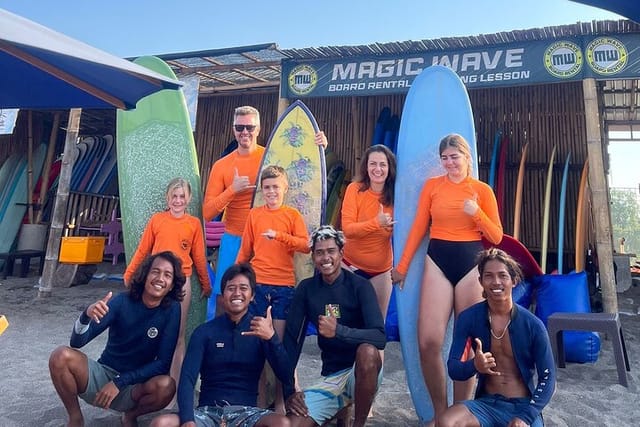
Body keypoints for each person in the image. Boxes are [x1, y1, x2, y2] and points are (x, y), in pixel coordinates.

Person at [391, 133, 503, 424]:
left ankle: (460, 414)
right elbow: (418, 227)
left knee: (468, 344)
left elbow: (496, 237)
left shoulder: (481, 190)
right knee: (428, 341)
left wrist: (476, 212)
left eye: (455, 156)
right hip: (437, 261)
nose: (450, 162)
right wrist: (402, 266)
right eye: (445, 158)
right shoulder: (432, 186)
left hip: (471, 265)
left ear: (467, 157)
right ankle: (441, 413)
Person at [203, 106, 327, 303]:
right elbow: (207, 214)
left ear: (258, 129)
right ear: (233, 129)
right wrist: (232, 190)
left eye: (250, 127)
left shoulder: (272, 158)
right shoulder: (222, 166)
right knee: (225, 296)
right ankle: (223, 334)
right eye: (240, 127)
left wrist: (318, 146)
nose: (245, 132)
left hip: (268, 241)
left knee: (265, 301)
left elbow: (302, 167)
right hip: (235, 239)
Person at [49, 251, 185, 427]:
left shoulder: (172, 310)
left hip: (135, 385)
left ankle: (130, 415)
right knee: (60, 356)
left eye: (167, 275)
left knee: (166, 385)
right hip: (104, 374)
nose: (160, 278)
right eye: (155, 271)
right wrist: (86, 315)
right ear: (145, 275)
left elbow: (163, 363)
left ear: (172, 285)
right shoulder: (122, 301)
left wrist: (120, 382)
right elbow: (77, 343)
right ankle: (75, 418)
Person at [150, 263, 292, 427]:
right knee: (161, 422)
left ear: (252, 295)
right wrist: (188, 420)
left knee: (282, 423)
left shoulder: (261, 331)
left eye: (243, 288)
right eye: (231, 288)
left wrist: (272, 338)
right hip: (208, 413)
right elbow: (187, 379)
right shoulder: (204, 332)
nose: (237, 293)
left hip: (247, 414)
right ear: (223, 295)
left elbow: (286, 375)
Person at [439, 248, 556, 427]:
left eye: (502, 276)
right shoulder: (469, 319)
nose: (496, 282)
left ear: (514, 281)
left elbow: (548, 378)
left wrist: (526, 417)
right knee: (447, 421)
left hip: (523, 406)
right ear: (480, 281)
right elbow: (454, 368)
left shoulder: (533, 325)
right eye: (488, 276)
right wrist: (474, 365)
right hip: (486, 405)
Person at [284, 225, 386, 427]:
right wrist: (289, 391)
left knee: (367, 351)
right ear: (313, 257)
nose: (326, 258)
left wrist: (339, 331)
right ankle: (340, 410)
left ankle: (357, 423)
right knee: (293, 423)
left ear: (341, 253)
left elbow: (380, 337)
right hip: (331, 378)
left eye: (331, 251)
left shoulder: (359, 286)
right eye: (320, 253)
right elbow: (291, 341)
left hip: (362, 373)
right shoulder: (307, 289)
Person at [123, 178, 212, 388]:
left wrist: (206, 284)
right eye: (174, 196)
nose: (178, 200)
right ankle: (141, 382)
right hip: (156, 282)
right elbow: (143, 250)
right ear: (168, 197)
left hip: (181, 283)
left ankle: (172, 387)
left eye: (182, 196)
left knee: (178, 336)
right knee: (149, 331)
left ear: (188, 198)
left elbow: (199, 257)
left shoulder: (193, 224)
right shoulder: (157, 220)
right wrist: (130, 273)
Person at [236, 164, 310, 412]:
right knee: (256, 346)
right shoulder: (255, 215)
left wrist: (279, 236)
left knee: (278, 348)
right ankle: (257, 403)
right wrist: (235, 281)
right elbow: (245, 253)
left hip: (283, 288)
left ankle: (280, 402)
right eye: (267, 188)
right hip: (257, 286)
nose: (271, 192)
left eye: (275, 187)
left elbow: (305, 245)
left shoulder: (291, 215)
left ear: (284, 188)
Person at [341, 144, 396, 326]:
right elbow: (348, 230)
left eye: (382, 164)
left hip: (381, 272)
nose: (377, 169)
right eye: (373, 164)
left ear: (390, 168)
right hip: (348, 266)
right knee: (338, 319)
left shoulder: (397, 195)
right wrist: (376, 223)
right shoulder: (354, 189)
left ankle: (374, 356)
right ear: (366, 166)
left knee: (376, 327)